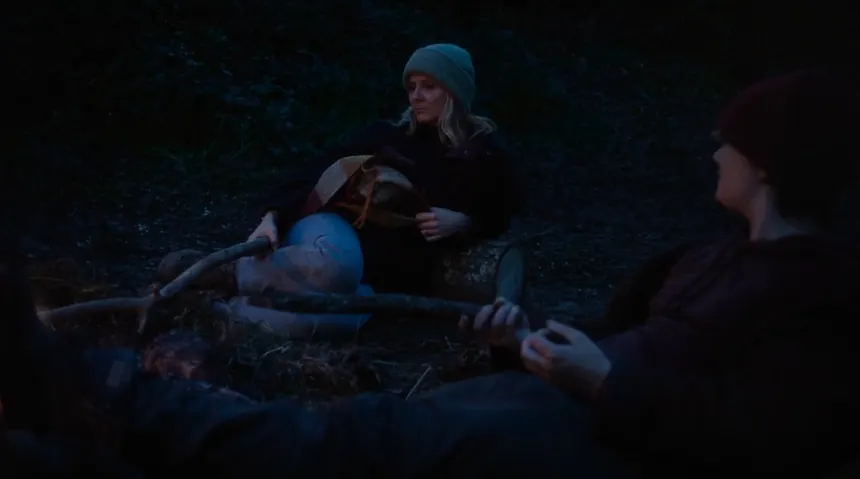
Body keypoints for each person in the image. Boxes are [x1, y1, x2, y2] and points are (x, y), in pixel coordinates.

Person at [461, 69, 860, 477]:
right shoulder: (699, 258)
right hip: (543, 407)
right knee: (427, 423)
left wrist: (603, 383)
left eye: (728, 143)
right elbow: (608, 337)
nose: (717, 156)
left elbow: (765, 436)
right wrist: (522, 340)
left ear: (764, 163)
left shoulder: (819, 292)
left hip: (599, 445)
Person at [230, 43, 524, 337]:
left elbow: (501, 213)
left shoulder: (484, 156)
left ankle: (234, 309)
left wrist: (463, 222)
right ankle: (237, 274)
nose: (416, 96)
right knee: (338, 268)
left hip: (383, 276)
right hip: (334, 230)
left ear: (454, 91)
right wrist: (271, 216)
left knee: (319, 322)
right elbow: (313, 173)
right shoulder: (387, 136)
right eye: (412, 87)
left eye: (429, 87)